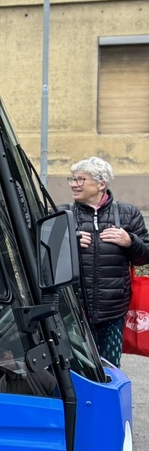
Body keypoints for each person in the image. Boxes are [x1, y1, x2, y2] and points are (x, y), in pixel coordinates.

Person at [64, 156, 149, 367]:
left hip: (113, 310)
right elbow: (42, 255)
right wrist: (68, 243)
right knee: (75, 369)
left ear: (101, 184)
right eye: (72, 179)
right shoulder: (62, 213)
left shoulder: (128, 213)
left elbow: (145, 257)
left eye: (81, 179)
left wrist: (130, 241)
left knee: (109, 368)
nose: (74, 184)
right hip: (74, 310)